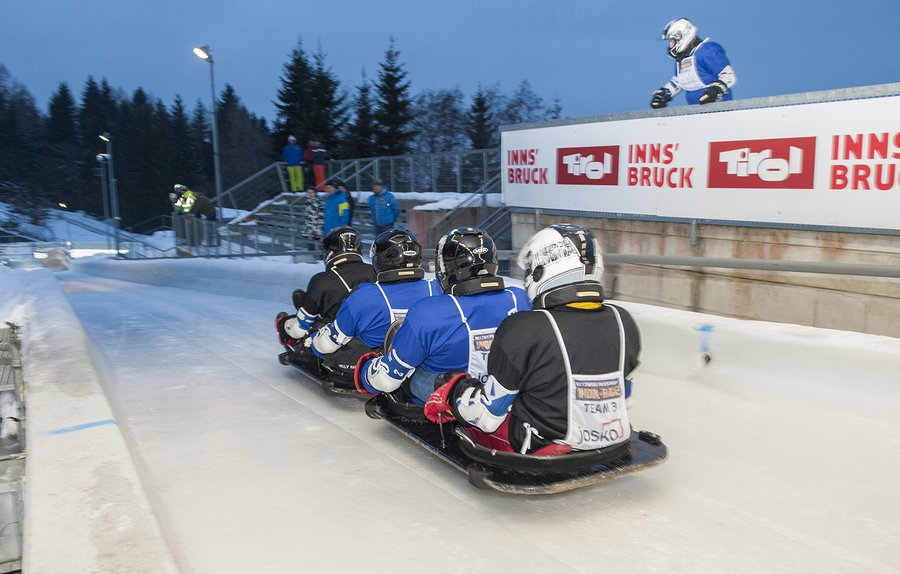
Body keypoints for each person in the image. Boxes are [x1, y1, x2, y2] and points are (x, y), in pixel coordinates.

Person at [422, 224, 641, 456]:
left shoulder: (524, 326)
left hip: (542, 444)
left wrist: (456, 389)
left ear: (542, 271)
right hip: (613, 436)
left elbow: (487, 418)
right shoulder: (624, 320)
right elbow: (623, 400)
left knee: (459, 386)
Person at [355, 227, 531, 404]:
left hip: (459, 397)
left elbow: (386, 380)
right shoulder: (523, 298)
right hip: (514, 386)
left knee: (408, 376)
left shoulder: (428, 312)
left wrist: (367, 370)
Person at [307, 229, 439, 385]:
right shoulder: (437, 289)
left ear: (380, 259)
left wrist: (313, 342)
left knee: (327, 343)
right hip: (427, 366)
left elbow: (326, 345)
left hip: (379, 369)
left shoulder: (363, 296)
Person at [276, 226, 375, 364]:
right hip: (376, 334)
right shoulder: (375, 271)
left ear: (330, 252)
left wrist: (282, 324)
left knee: (294, 326)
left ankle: (302, 346)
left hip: (336, 338)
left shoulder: (322, 280)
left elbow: (299, 328)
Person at [650, 18, 737, 108]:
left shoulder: (706, 51)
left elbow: (728, 74)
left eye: (672, 41)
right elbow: (679, 81)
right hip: (696, 110)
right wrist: (663, 94)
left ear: (682, 37)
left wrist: (716, 90)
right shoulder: (682, 60)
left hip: (719, 108)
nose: (670, 46)